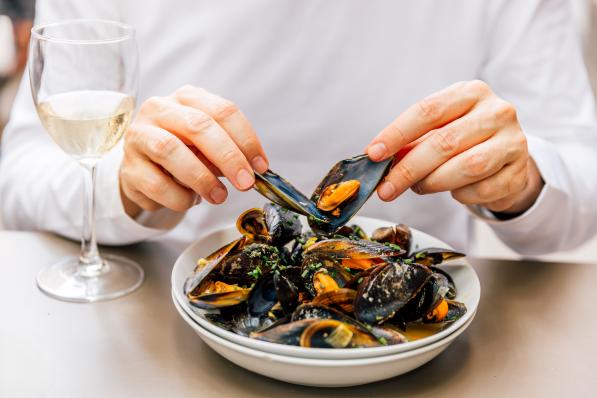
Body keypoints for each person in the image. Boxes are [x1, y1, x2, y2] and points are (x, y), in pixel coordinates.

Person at [1, 0, 596, 255]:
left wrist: (523, 182)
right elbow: (18, 180)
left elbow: (582, 193)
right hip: (160, 318)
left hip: (421, 345)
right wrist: (122, 186)